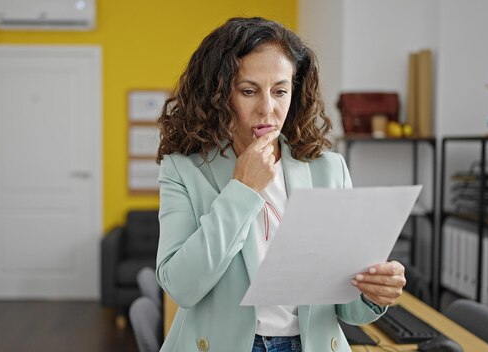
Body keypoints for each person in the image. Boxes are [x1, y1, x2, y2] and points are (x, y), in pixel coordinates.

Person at [155, 17, 406, 352]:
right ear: (217, 95)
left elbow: (348, 309)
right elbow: (182, 287)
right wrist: (241, 191)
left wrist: (374, 293)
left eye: (280, 91)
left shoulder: (329, 170)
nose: (267, 109)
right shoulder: (184, 169)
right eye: (248, 91)